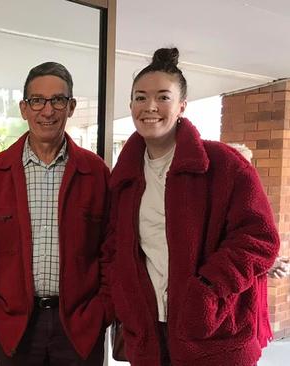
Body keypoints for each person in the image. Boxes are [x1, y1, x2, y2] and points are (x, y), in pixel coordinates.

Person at [106, 48, 279, 366]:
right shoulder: (125, 177)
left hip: (213, 334)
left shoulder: (223, 164)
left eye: (163, 97)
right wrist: (123, 296)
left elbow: (259, 239)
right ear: (131, 105)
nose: (150, 107)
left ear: (182, 105)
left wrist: (206, 292)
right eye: (140, 98)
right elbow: (114, 247)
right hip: (149, 333)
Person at [0, 62, 112, 366]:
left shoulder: (96, 173)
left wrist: (103, 310)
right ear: (24, 108)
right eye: (37, 100)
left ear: (72, 106)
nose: (47, 111)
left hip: (78, 326)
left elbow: (110, 248)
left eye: (58, 100)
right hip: (16, 328)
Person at [227, 143, 290, 280]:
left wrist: (269, 263)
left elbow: (253, 244)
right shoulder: (215, 205)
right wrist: (265, 262)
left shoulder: (247, 201)